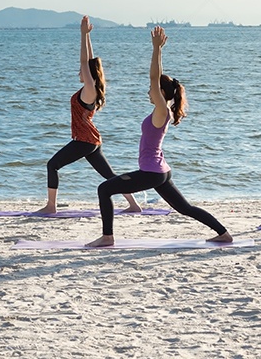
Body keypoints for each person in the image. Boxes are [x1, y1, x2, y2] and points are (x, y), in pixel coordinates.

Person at [86, 26, 232, 247]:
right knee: (185, 209)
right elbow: (155, 81)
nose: (148, 91)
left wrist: (156, 50)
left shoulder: (162, 109)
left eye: (152, 89)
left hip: (152, 173)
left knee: (104, 189)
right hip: (161, 171)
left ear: (161, 93)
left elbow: (154, 77)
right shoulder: (163, 111)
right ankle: (223, 233)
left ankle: (107, 237)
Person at [36, 15, 140, 214]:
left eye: (81, 70)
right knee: (109, 175)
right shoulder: (90, 88)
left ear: (88, 74)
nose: (79, 71)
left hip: (84, 141)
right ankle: (134, 205)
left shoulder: (89, 89)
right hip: (91, 141)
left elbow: (85, 61)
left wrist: (82, 35)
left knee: (52, 165)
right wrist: (88, 37)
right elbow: (90, 61)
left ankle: (51, 207)